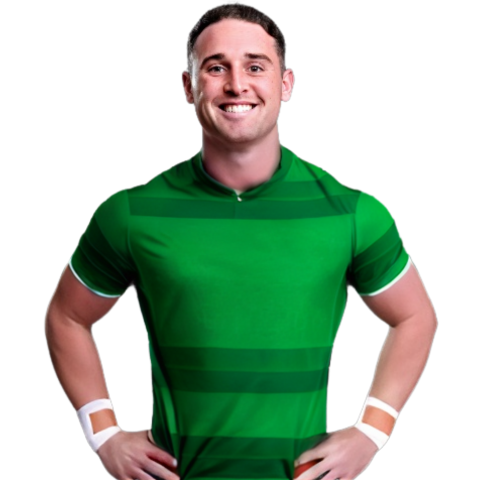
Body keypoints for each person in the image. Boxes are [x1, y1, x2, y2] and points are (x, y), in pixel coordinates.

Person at [44, 4, 438, 480]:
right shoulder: (130, 212)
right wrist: (103, 434)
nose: (236, 85)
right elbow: (66, 317)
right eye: (216, 68)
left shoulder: (353, 212)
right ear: (189, 87)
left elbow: (415, 317)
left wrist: (371, 432)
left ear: (286, 84)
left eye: (255, 66)